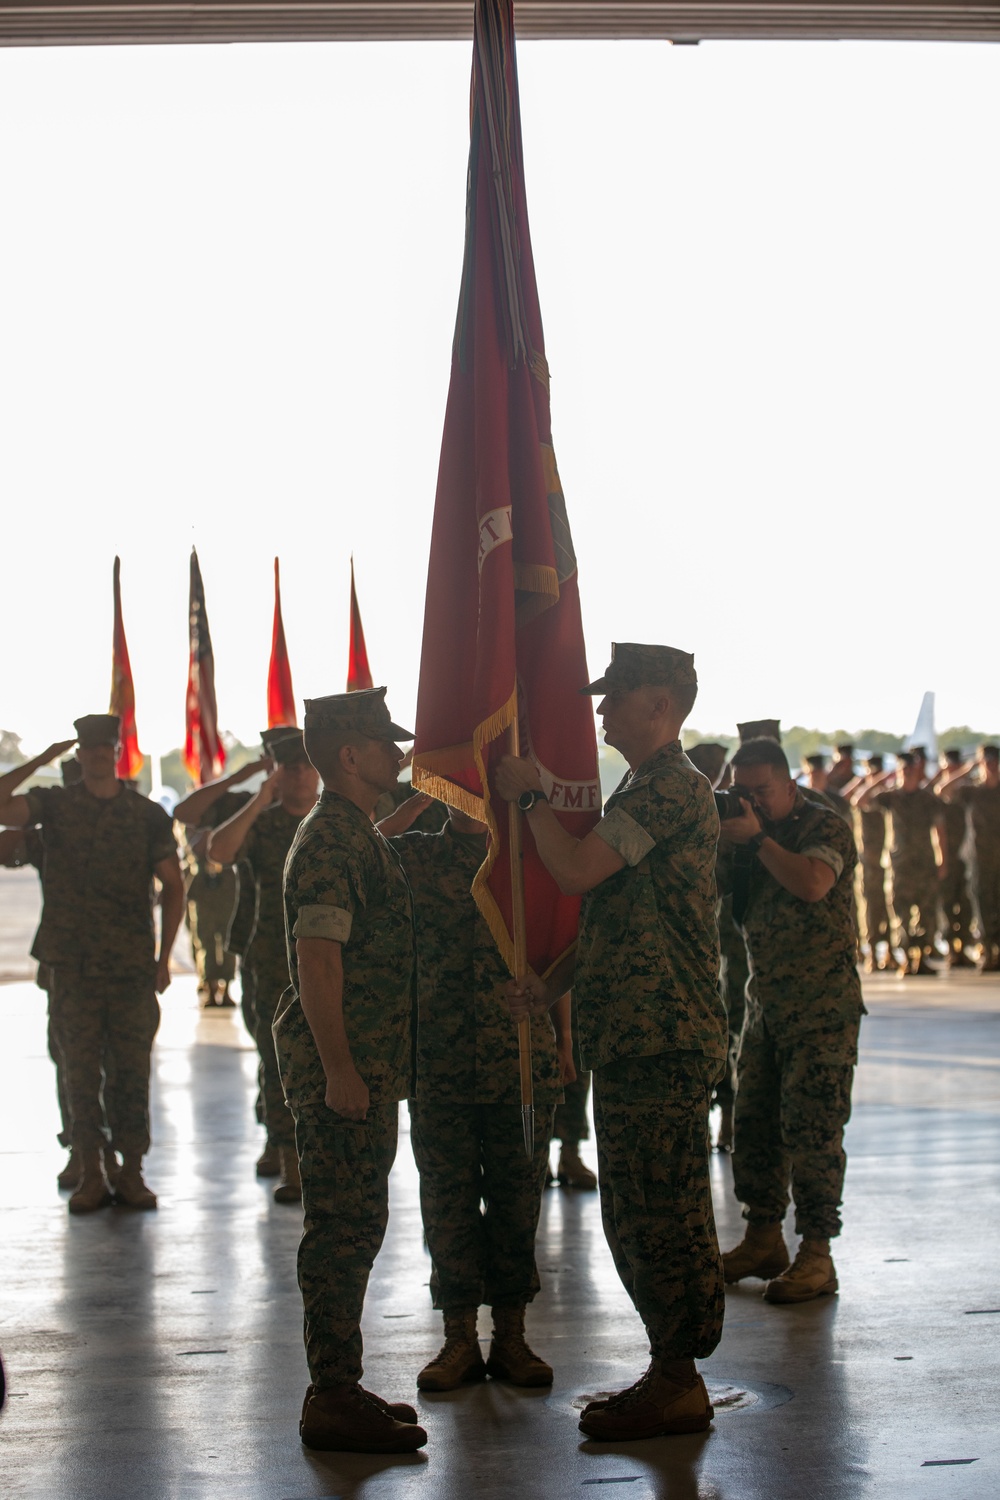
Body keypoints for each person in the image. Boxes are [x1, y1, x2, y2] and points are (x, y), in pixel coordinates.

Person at [496, 642, 726, 1443]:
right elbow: (616, 921)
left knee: (661, 1210)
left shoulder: (669, 788)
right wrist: (551, 987)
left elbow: (575, 871)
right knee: (636, 1208)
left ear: (659, 704)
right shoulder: (644, 785)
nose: (600, 712)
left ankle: (677, 1377)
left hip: (661, 1036)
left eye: (617, 697)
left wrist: (528, 803)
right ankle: (670, 1371)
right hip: (635, 1033)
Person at [272, 688, 426, 1454]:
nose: (399, 754)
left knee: (358, 1225)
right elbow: (317, 959)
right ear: (349, 756)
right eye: (385, 743)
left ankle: (342, 1384)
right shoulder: (332, 838)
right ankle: (331, 1395)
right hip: (344, 1071)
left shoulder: (354, 830)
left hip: (365, 1066)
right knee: (341, 1230)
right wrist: (339, 1068)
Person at [385, 800, 572, 1391]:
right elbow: (358, 842)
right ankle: (459, 1338)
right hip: (439, 1060)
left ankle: (512, 1336)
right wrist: (419, 793)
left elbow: (557, 951)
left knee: (518, 1200)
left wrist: (564, 1042)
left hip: (517, 1057)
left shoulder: (530, 859)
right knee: (447, 1201)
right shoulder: (417, 852)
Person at [0, 717, 184, 1213]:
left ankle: (131, 1171)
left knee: (131, 1072)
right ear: (79, 753)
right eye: (90, 748)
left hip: (129, 967)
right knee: (79, 1074)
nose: (100, 755)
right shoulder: (54, 806)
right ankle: (92, 1171)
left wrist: (164, 957)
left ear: (118, 751)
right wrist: (38, 760)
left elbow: (173, 885)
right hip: (71, 967)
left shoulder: (146, 815)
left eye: (107, 747)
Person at [718, 736, 864, 1303]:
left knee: (814, 1131)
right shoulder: (747, 834)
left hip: (822, 1008)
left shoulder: (821, 827)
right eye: (742, 792)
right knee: (753, 1126)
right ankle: (762, 1238)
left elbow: (812, 884)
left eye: (762, 792)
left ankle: (817, 1254)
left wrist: (757, 841)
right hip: (764, 1005)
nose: (752, 802)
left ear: (789, 783)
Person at [208, 726, 320, 1202]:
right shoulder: (265, 823)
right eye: (287, 767)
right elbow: (218, 851)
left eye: (303, 765)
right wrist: (259, 798)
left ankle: (314, 1153)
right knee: (277, 1064)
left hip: (329, 961)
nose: (296, 774)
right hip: (270, 962)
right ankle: (288, 1157)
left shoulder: (332, 821)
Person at [855, 753, 947, 974]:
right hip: (899, 864)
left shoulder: (927, 799)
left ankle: (921, 958)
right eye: (902, 770)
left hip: (924, 863)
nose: (906, 774)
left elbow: (939, 829)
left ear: (916, 772)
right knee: (900, 912)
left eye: (909, 770)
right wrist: (878, 780)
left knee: (926, 912)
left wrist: (942, 859)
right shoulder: (891, 797)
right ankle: (905, 957)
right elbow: (860, 801)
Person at [940, 745, 1000, 971]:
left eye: (994, 762)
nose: (991, 767)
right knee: (982, 905)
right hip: (978, 858)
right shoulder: (972, 791)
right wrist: (967, 769)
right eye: (987, 762)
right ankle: (988, 950)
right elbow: (942, 790)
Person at [934, 749, 976, 968]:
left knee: (967, 902)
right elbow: (942, 789)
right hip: (947, 857)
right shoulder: (941, 791)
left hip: (968, 855)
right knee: (947, 903)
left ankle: (964, 947)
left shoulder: (969, 790)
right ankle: (951, 948)